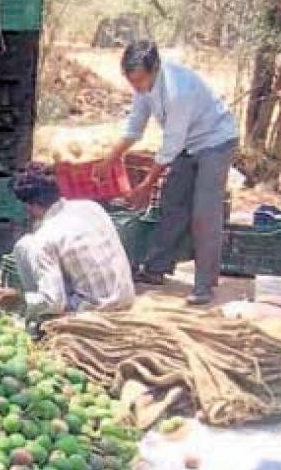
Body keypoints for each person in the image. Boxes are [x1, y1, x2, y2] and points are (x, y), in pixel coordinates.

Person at [101, 40, 238, 305]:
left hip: (215, 141)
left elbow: (171, 144)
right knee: (171, 203)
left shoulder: (178, 90)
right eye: (131, 81)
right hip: (187, 144)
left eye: (140, 80)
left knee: (204, 213)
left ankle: (204, 284)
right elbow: (135, 127)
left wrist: (148, 183)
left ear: (155, 69)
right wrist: (110, 159)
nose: (136, 86)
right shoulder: (142, 88)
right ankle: (155, 269)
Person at [0, 165, 135, 318]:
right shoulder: (92, 208)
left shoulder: (44, 238)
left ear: (29, 206)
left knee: (24, 245)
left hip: (93, 310)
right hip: (125, 297)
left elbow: (54, 302)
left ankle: (38, 319)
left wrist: (19, 299)